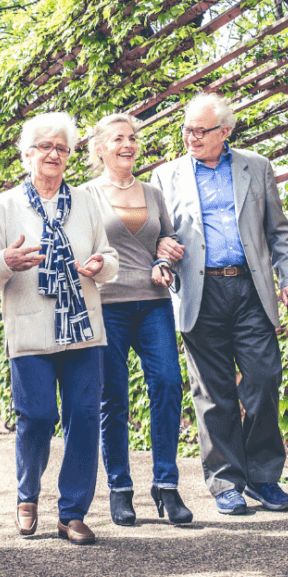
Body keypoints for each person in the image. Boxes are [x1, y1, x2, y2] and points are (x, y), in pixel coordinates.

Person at [152, 93, 288, 515]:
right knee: (212, 392)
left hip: (251, 290)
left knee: (264, 378)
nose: (191, 137)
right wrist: (162, 255)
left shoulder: (256, 166)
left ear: (225, 132)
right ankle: (225, 483)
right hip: (200, 292)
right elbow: (160, 235)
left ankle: (263, 476)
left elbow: (279, 231)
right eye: (187, 129)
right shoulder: (166, 176)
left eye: (201, 131)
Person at [0, 112, 118, 545]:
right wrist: (6, 261)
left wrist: (100, 266)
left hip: (82, 329)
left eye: (62, 147)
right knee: (37, 417)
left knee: (83, 417)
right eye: (44, 145)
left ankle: (72, 512)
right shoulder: (5, 206)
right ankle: (27, 494)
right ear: (26, 154)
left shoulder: (88, 201)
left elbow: (107, 255)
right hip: (31, 327)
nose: (54, 153)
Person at [85, 114, 193, 527]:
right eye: (117, 139)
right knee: (113, 397)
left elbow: (169, 240)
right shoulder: (85, 195)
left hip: (153, 302)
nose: (127, 145)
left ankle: (166, 485)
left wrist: (164, 259)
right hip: (107, 304)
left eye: (132, 138)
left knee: (167, 383)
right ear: (99, 148)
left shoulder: (153, 192)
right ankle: (120, 489)